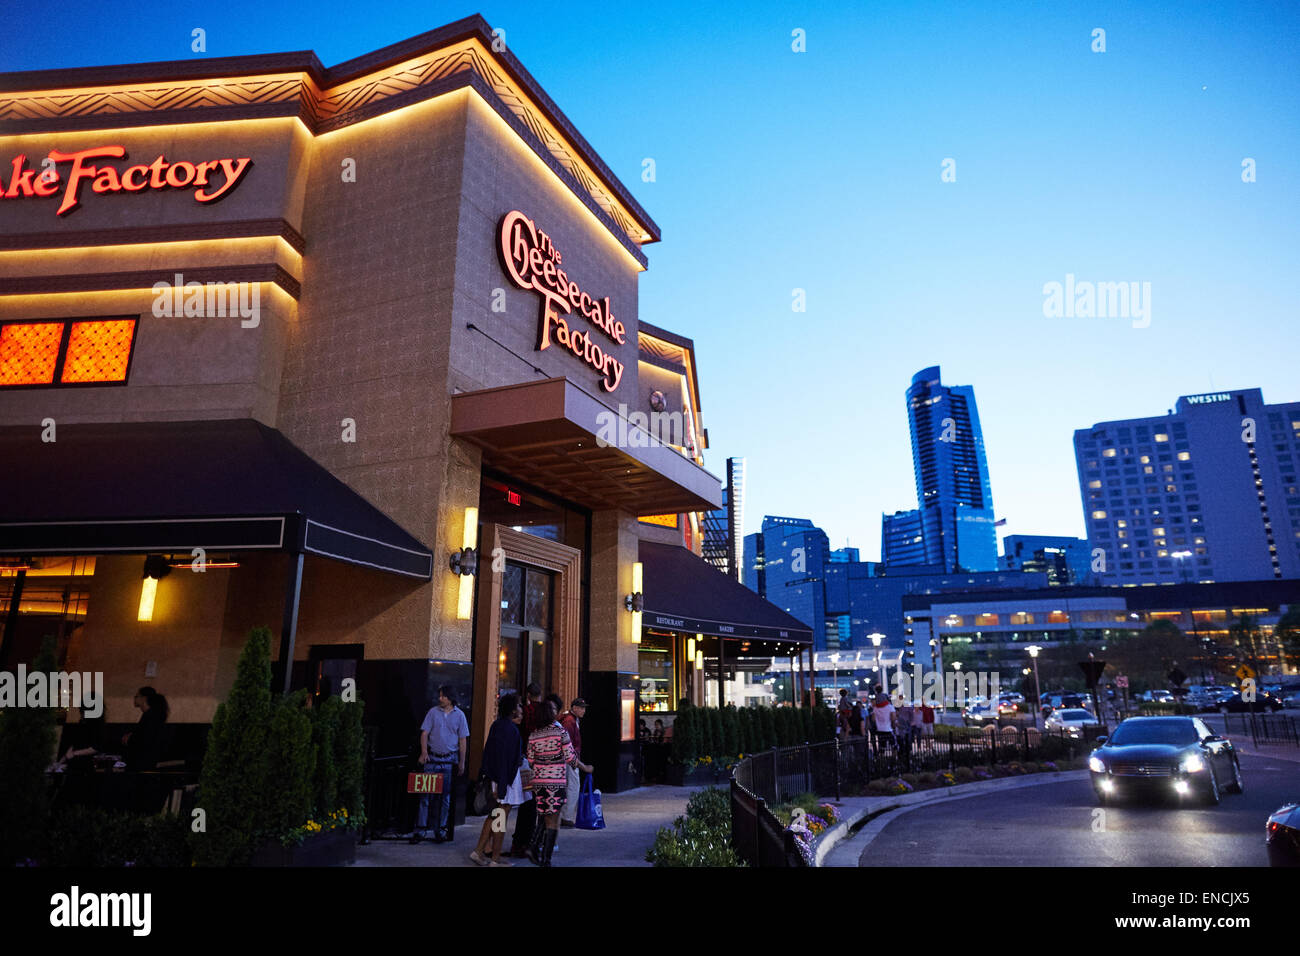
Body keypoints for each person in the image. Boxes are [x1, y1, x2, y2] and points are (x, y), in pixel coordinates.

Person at [525, 700, 592, 867]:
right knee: (553, 820)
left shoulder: (534, 735)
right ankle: (545, 859)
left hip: (539, 782)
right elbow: (570, 757)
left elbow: (531, 760)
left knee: (543, 814)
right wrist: (585, 768)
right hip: (555, 781)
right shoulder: (560, 732)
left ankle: (533, 847)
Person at [471, 693, 527, 867]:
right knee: (500, 816)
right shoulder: (510, 730)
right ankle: (495, 858)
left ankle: (479, 851)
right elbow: (505, 759)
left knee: (495, 815)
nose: (521, 709)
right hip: (505, 780)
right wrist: (501, 785)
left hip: (499, 777)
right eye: (518, 706)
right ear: (512, 710)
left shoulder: (498, 725)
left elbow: (491, 755)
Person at [411, 684, 469, 844]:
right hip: (433, 760)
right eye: (440, 695)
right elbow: (424, 733)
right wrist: (424, 752)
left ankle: (440, 830)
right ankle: (420, 830)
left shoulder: (460, 716)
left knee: (445, 798)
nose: (440, 698)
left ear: (450, 698)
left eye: (443, 696)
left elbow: (463, 740)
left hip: (449, 760)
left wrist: (462, 761)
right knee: (425, 796)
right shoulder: (433, 712)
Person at [509, 683, 544, 857]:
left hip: (523, 764)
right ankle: (529, 842)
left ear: (528, 695)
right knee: (535, 806)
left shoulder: (522, 718)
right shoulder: (544, 714)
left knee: (525, 805)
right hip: (538, 765)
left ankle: (517, 843)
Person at [122, 686, 168, 771]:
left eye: (136, 696)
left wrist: (129, 739)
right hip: (147, 759)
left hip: (143, 761)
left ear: (144, 698)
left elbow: (143, 738)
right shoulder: (153, 714)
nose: (134, 699)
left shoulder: (150, 716)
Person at [559, 698, 587, 828]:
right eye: (581, 708)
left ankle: (565, 815)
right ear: (574, 708)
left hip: (568, 758)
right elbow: (567, 743)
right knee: (573, 787)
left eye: (584, 708)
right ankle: (566, 816)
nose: (583, 710)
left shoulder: (571, 719)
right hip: (569, 758)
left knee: (570, 786)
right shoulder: (569, 721)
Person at [870, 686, 896, 755]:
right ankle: (895, 761)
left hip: (880, 730)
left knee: (882, 747)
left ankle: (881, 762)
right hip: (888, 729)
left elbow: (873, 719)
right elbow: (893, 718)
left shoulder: (875, 708)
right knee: (894, 746)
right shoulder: (890, 707)